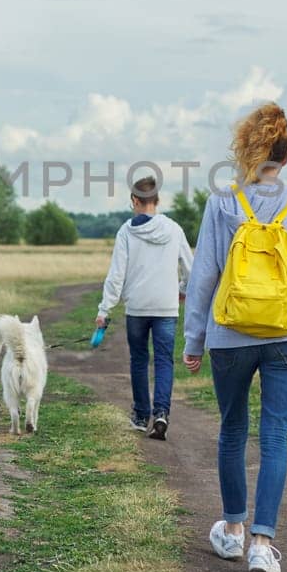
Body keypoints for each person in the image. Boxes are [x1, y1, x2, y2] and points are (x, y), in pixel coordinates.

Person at [182, 103, 287, 572]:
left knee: (233, 430)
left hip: (230, 335)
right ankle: (263, 544)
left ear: (246, 150)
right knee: (276, 437)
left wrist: (194, 339)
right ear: (285, 156)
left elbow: (204, 275)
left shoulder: (222, 202)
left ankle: (234, 532)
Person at [95, 176, 194, 440]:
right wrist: (181, 290)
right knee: (164, 361)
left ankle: (140, 415)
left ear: (135, 201)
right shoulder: (174, 229)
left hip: (137, 307)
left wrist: (104, 310)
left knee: (139, 360)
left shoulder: (127, 231)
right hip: (166, 306)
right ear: (158, 200)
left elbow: (116, 275)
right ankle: (161, 413)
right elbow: (190, 269)